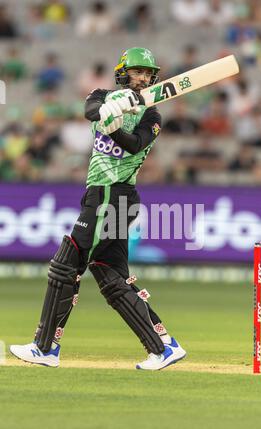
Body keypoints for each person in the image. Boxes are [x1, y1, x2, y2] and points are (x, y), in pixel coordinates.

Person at [10, 47, 186, 371]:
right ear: (123, 73)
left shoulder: (152, 116)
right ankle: (163, 347)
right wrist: (108, 108)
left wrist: (115, 127)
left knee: (67, 263)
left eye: (148, 73)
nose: (143, 78)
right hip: (103, 195)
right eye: (137, 71)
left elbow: (134, 144)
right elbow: (90, 108)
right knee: (110, 276)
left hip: (113, 194)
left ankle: (44, 347)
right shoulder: (103, 95)